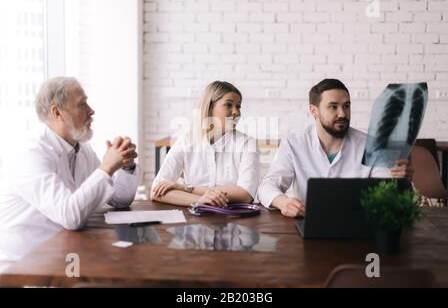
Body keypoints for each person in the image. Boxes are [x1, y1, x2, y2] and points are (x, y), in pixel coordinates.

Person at [0, 77, 139, 271]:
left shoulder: (82, 149)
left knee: (127, 265)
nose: (91, 111)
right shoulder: (30, 154)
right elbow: (69, 216)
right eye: (82, 104)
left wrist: (126, 166)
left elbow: (119, 199)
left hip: (63, 255)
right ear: (57, 113)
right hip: (24, 268)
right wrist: (106, 167)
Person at [257, 79, 414, 218]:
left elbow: (388, 196)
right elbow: (266, 186)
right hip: (308, 223)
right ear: (314, 110)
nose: (343, 114)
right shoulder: (294, 143)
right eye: (333, 107)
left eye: (346, 106)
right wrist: (283, 202)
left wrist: (401, 181)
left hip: (359, 225)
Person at [151, 81, 259, 207]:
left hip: (234, 220)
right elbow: (156, 192)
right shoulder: (186, 142)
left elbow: (245, 194)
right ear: (210, 107)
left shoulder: (247, 144)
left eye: (238, 106)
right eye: (228, 105)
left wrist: (186, 189)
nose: (236, 112)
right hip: (194, 219)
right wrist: (199, 201)